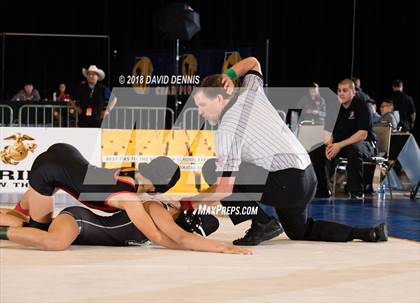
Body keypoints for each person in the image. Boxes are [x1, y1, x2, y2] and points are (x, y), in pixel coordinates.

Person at [186, 57, 387, 246]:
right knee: (301, 231)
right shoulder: (250, 93)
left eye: (203, 105)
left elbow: (225, 189)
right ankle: (366, 233)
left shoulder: (227, 129)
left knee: (213, 169)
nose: (201, 111)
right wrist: (230, 74)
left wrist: (187, 204)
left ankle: (262, 223)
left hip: (287, 183)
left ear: (220, 99)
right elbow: (253, 63)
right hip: (307, 178)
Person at [12, 143, 181, 231]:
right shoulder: (129, 198)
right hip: (51, 169)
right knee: (37, 229)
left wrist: (158, 196)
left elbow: (142, 193)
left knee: (18, 215)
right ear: (158, 188)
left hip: (67, 155)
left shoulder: (133, 172)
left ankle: (16, 211)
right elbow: (154, 232)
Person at [0, 201, 249, 254]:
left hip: (81, 229)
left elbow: (179, 240)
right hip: (79, 221)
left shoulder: (161, 231)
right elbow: (181, 239)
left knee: (31, 226)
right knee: (53, 243)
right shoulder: (157, 209)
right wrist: (221, 248)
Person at [310, 79, 377, 199]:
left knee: (354, 148)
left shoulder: (362, 105)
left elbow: (362, 134)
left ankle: (356, 192)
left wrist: (339, 145)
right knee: (316, 149)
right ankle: (322, 190)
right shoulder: (334, 107)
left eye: (345, 91)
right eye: (339, 90)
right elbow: (328, 132)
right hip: (342, 144)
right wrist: (328, 145)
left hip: (365, 145)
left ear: (353, 92)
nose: (341, 93)